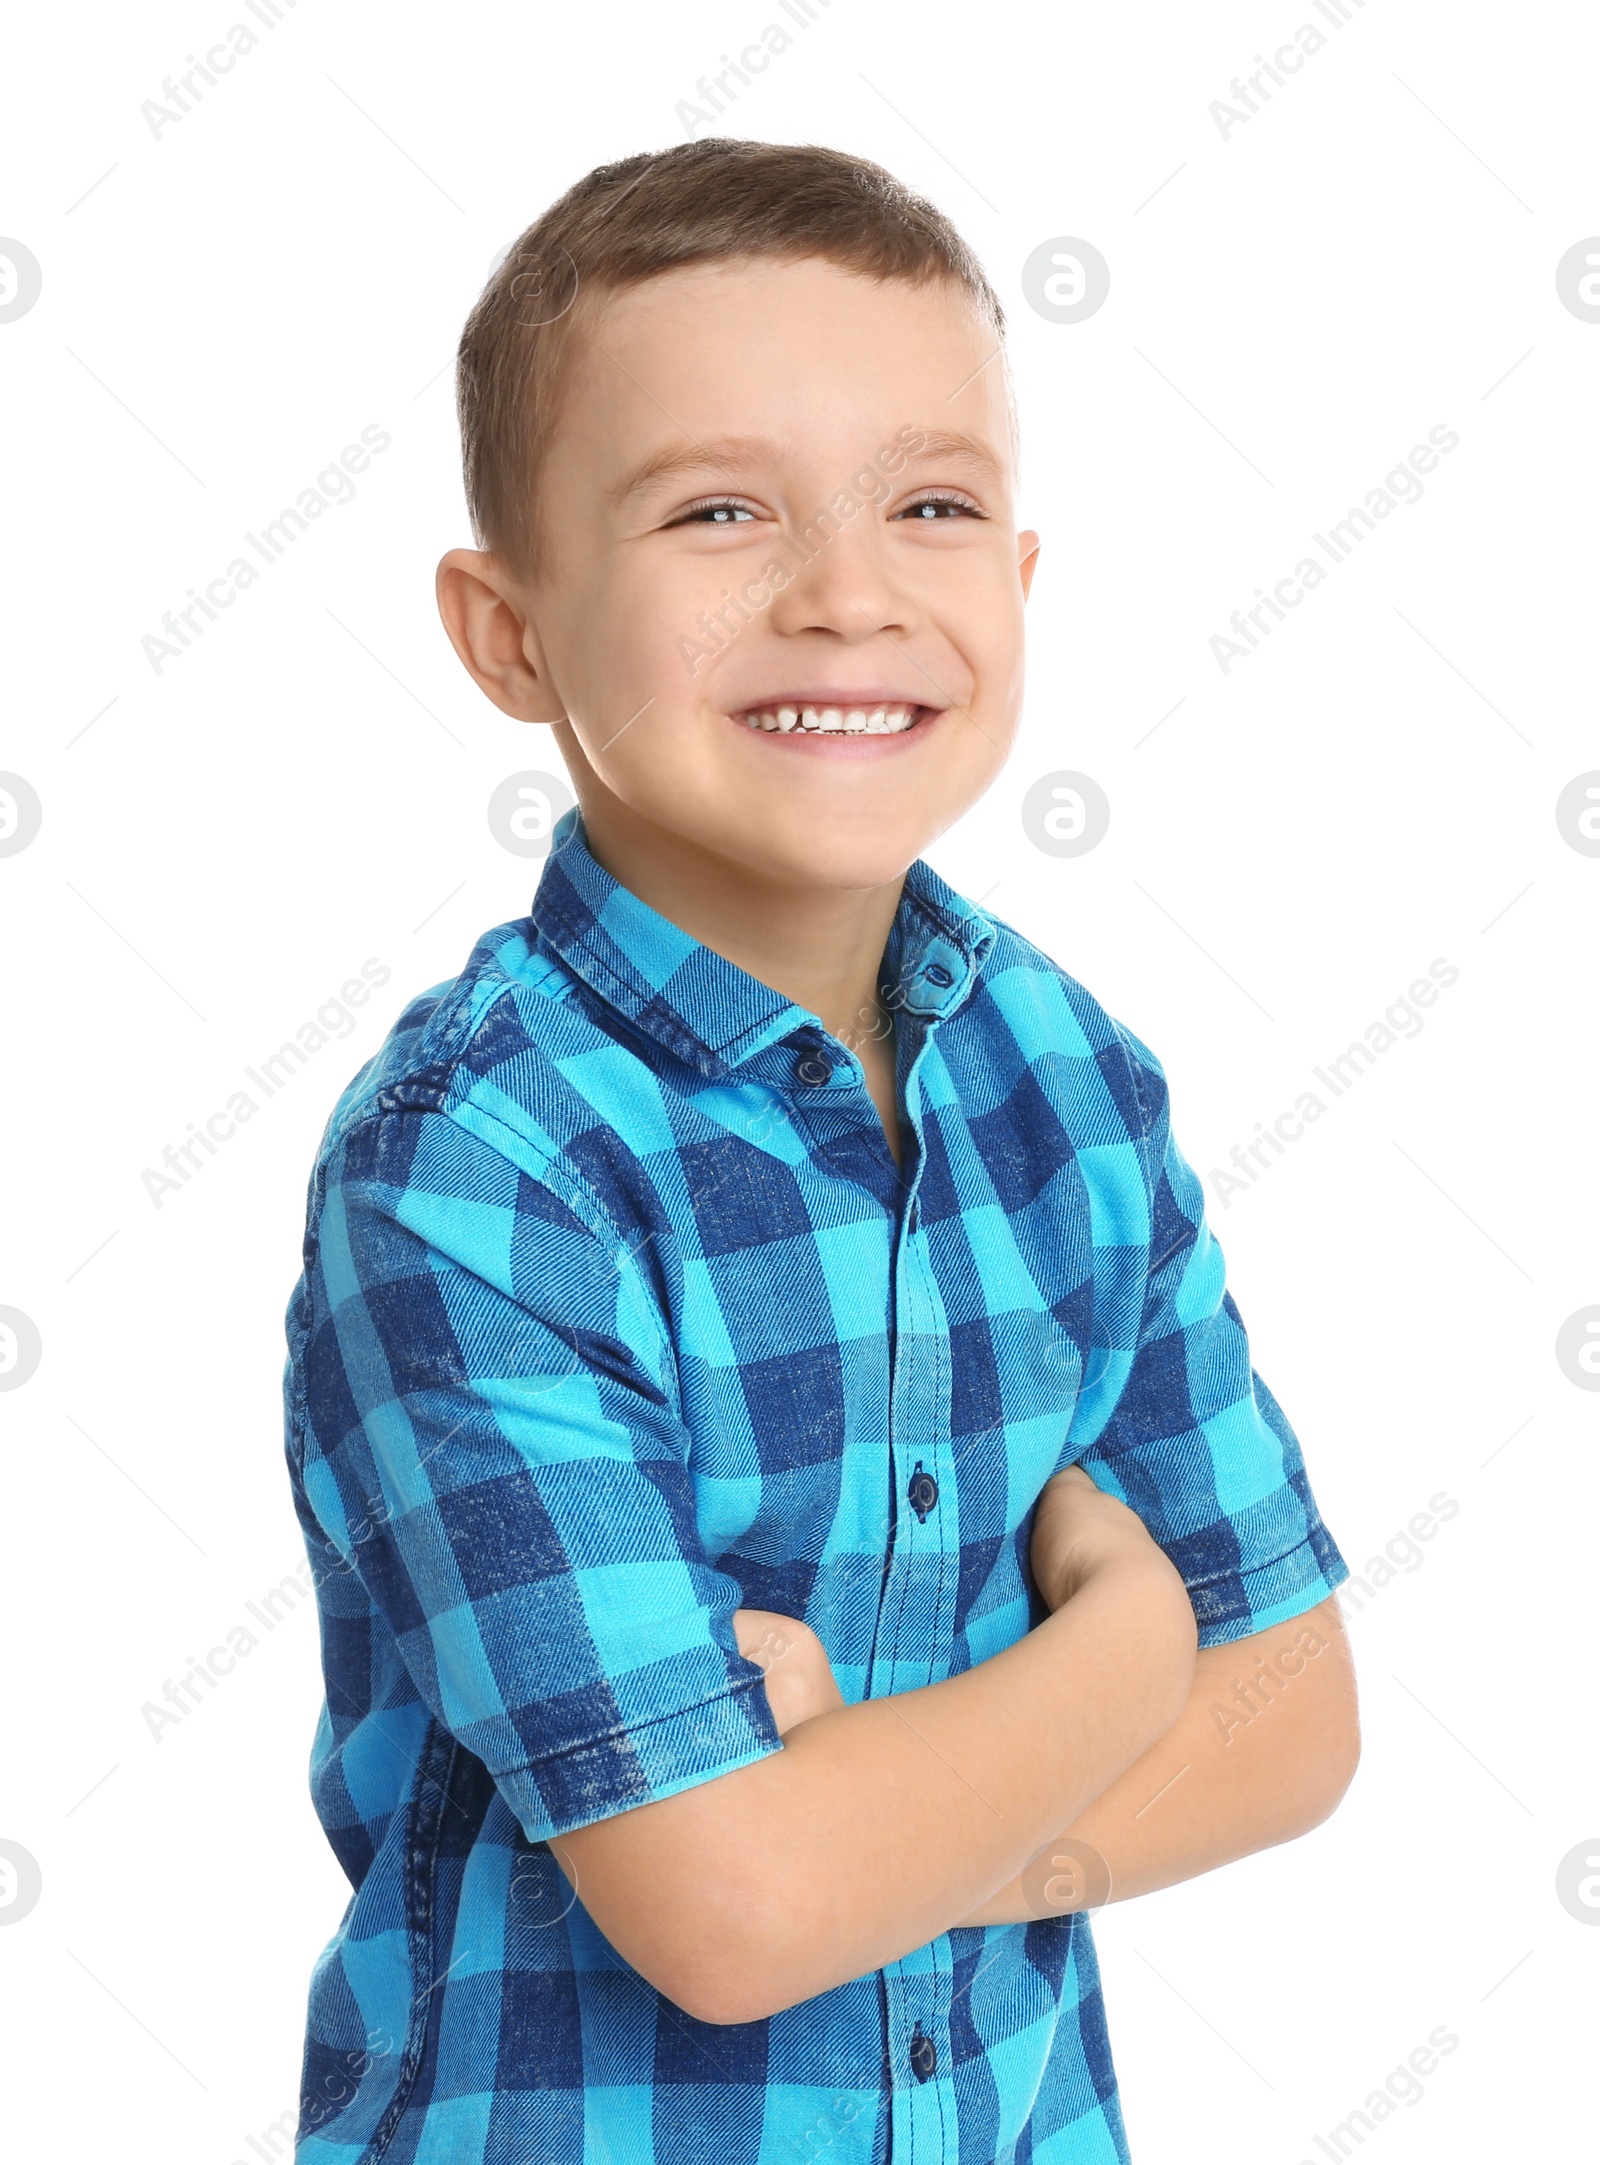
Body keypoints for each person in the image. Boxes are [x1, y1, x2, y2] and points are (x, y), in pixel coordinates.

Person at [282, 136, 1359, 2163]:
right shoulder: (478, 1169)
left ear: (1017, 579)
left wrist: (867, 1818)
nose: (847, 591)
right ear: (506, 632)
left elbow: (1289, 1727)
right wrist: (1120, 1647)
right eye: (713, 510)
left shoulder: (1063, 1083)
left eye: (931, 505)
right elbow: (732, 1915)